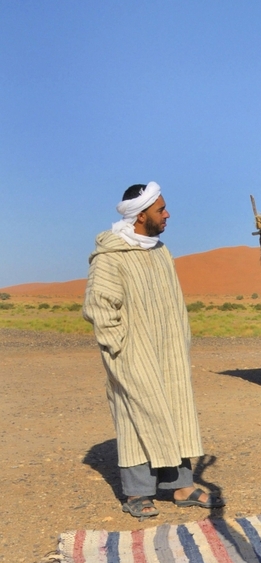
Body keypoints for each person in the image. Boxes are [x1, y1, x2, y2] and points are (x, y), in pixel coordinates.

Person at [83, 182, 223, 519]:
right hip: (132, 355)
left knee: (174, 412)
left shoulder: (160, 250)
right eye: (161, 209)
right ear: (141, 214)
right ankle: (136, 492)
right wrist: (121, 348)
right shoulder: (111, 256)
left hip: (169, 354)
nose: (167, 214)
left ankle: (182, 486)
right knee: (136, 418)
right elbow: (98, 306)